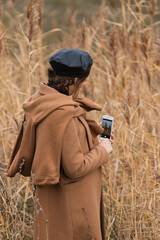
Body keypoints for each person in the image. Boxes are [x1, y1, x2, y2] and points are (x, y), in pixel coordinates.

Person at [6, 49, 114, 240]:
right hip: (75, 209)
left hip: (53, 206)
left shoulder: (42, 103)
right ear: (74, 81)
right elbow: (75, 167)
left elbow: (58, 142)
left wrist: (87, 131)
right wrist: (103, 150)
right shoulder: (66, 114)